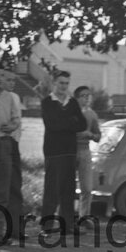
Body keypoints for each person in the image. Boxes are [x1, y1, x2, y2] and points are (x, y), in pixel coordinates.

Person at [41, 71, 88, 234]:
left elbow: (82, 124)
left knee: (68, 190)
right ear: (54, 83)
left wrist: (64, 122)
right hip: (53, 151)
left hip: (70, 151)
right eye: (61, 83)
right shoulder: (47, 102)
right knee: (52, 190)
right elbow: (51, 125)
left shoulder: (72, 102)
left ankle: (67, 225)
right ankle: (47, 226)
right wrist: (70, 122)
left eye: (66, 83)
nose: (64, 86)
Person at [0, 63, 22, 245]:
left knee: (2, 192)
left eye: (2, 75)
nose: (0, 79)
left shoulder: (9, 97)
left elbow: (16, 120)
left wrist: (12, 126)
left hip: (5, 144)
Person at [3, 69, 28, 239]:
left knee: (15, 186)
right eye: (8, 80)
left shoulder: (15, 98)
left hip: (13, 144)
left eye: (13, 80)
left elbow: (17, 124)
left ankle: (16, 229)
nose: (12, 83)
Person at [73, 86, 102, 219]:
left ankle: (84, 217)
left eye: (88, 96)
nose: (86, 98)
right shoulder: (71, 113)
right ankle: (64, 215)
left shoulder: (92, 114)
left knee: (87, 188)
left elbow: (98, 136)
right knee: (67, 186)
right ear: (77, 98)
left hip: (85, 150)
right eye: (83, 96)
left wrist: (90, 135)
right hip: (70, 150)